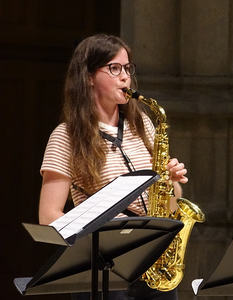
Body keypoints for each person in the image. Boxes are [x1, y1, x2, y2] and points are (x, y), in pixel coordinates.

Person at [38, 33, 188, 300]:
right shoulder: (66, 135)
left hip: (154, 259)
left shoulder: (142, 124)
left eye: (128, 68)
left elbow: (172, 204)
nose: (125, 77)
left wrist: (171, 181)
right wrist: (99, 239)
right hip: (106, 267)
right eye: (114, 68)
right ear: (88, 77)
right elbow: (49, 217)